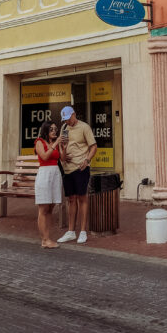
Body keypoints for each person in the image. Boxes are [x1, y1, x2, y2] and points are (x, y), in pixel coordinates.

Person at [57, 105, 97, 245]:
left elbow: (93, 146)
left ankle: (83, 231)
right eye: (65, 119)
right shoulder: (64, 128)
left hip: (80, 168)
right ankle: (71, 231)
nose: (67, 121)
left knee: (82, 198)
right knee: (71, 200)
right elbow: (62, 148)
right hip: (67, 169)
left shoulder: (84, 127)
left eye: (68, 118)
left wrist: (87, 160)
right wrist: (63, 155)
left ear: (74, 114)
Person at [33, 119, 63, 248]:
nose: (54, 131)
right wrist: (56, 143)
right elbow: (44, 156)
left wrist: (63, 146)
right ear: (45, 130)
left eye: (55, 129)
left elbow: (63, 158)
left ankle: (48, 237)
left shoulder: (54, 143)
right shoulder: (39, 142)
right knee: (43, 208)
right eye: (51, 129)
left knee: (51, 207)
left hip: (55, 174)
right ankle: (44, 240)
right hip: (45, 174)